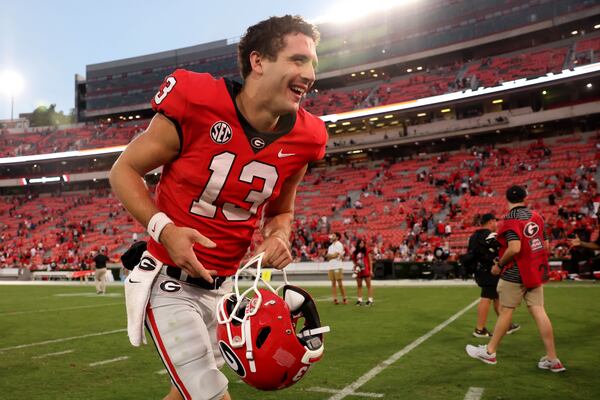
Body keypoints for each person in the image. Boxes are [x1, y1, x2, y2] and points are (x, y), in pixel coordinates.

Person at [109, 15, 326, 400]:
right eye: (297, 60)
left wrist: (278, 236)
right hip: (170, 282)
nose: (310, 73)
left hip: (229, 291)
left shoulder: (307, 137)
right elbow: (124, 169)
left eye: (312, 61)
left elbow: (280, 212)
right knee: (210, 395)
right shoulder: (197, 101)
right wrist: (165, 229)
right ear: (258, 62)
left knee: (185, 396)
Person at [466, 185, 566, 372]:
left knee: (506, 311)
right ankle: (553, 359)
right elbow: (544, 246)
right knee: (539, 312)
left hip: (515, 272)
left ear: (507, 199)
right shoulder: (537, 216)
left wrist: (499, 265)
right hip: (535, 271)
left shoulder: (510, 219)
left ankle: (490, 352)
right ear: (525, 198)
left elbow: (514, 248)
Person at [466, 213, 519, 337]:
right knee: (486, 297)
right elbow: (500, 251)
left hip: (479, 270)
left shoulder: (474, 236)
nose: (497, 224)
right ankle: (479, 329)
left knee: (497, 297)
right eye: (495, 221)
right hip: (490, 270)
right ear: (491, 222)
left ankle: (506, 324)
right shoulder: (491, 235)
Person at [325, 232, 347, 305]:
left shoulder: (339, 244)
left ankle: (344, 298)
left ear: (337, 237)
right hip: (331, 266)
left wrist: (330, 256)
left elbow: (334, 255)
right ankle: (335, 299)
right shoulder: (330, 246)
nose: (332, 237)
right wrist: (331, 256)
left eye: (333, 236)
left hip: (338, 266)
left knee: (340, 283)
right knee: (333, 283)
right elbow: (328, 257)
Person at [353, 239, 374, 306]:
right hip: (359, 271)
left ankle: (370, 300)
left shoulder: (366, 251)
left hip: (366, 270)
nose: (362, 244)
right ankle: (359, 300)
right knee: (359, 286)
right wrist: (356, 268)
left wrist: (371, 270)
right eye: (360, 243)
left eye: (363, 243)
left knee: (369, 285)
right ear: (358, 244)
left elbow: (370, 261)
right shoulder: (355, 252)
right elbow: (354, 261)